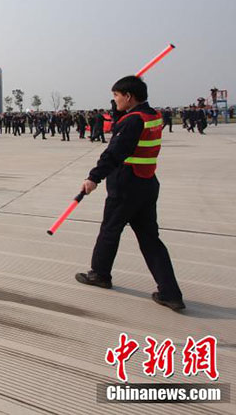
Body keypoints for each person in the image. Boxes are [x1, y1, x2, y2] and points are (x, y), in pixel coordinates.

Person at [75, 75, 184, 312]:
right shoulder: (152, 116)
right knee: (150, 239)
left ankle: (100, 274)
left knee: (110, 230)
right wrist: (119, 116)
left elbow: (114, 153)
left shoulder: (131, 121)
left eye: (116, 96)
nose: (114, 100)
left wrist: (94, 177)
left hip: (126, 184)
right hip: (147, 183)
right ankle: (170, 293)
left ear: (128, 96)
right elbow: (125, 130)